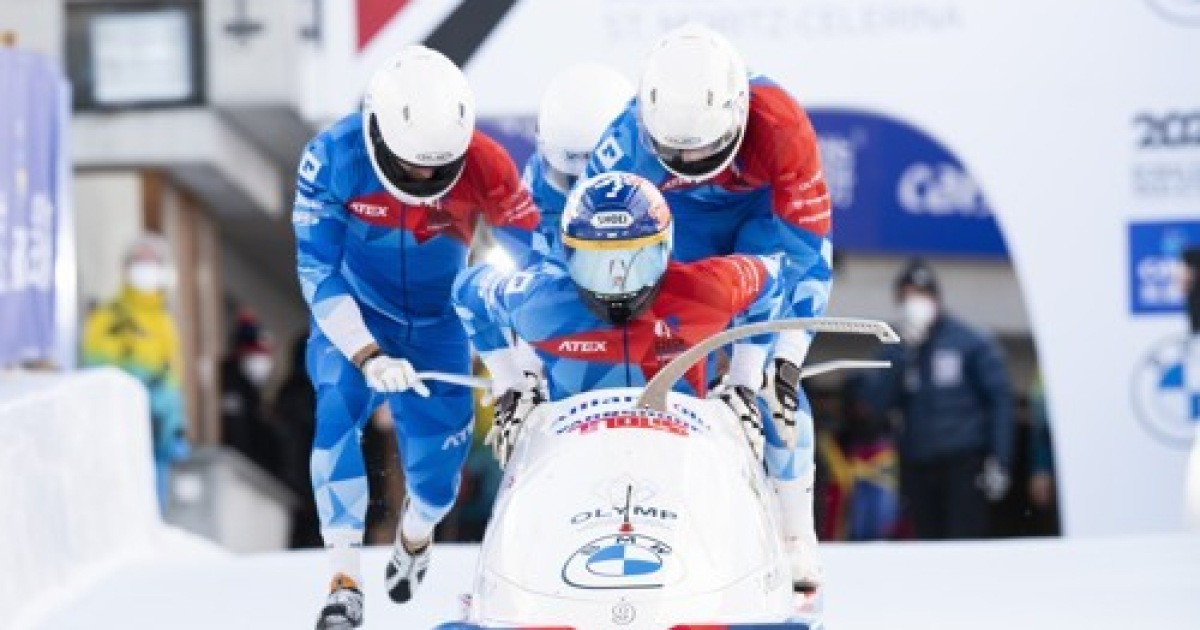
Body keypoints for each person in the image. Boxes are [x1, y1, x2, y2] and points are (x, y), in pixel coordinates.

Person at [293, 45, 544, 629]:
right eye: (412, 167)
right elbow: (317, 271)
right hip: (354, 315)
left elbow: (533, 271)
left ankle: (417, 530)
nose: (427, 179)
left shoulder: (489, 164)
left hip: (439, 323)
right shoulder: (332, 157)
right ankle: (344, 580)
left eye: (440, 168)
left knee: (437, 482)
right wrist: (366, 352)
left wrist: (524, 362)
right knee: (336, 410)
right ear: (379, 133)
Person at [585, 23, 832, 591]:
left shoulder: (783, 125)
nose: (693, 161)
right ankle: (671, 525)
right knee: (670, 370)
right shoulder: (620, 147)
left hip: (764, 229)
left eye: (708, 150)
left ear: (738, 118)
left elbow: (807, 258)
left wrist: (785, 359)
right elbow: (588, 250)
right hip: (677, 235)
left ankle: (796, 536)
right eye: (676, 153)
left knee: (774, 387)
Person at [453, 171, 782, 510]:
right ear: (568, 257)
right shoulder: (542, 303)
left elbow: (769, 281)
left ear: (665, 250)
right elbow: (467, 291)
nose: (616, 280)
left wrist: (744, 381)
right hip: (574, 471)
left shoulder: (702, 291)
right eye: (596, 262)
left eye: (634, 261)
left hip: (681, 465)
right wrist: (511, 385)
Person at [865, 259, 1014, 540]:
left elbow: (999, 401)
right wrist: (902, 356)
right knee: (926, 540)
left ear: (935, 298)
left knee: (963, 539)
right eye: (907, 296)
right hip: (917, 463)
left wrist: (1000, 457)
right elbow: (876, 405)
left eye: (921, 295)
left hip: (962, 462)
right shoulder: (895, 346)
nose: (914, 303)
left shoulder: (969, 342)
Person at [82, 233, 189, 511]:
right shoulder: (109, 317)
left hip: (158, 428)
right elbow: (96, 369)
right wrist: (136, 384)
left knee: (156, 505)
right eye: (139, 261)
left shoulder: (165, 321)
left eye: (152, 261)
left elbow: (172, 379)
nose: (145, 268)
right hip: (119, 426)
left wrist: (176, 426)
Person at [524, 63, 634, 249]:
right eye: (572, 179)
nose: (584, 190)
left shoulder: (663, 187)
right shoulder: (533, 191)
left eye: (599, 176)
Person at [219, 308, 284, 478]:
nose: (261, 362)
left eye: (265, 356)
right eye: (255, 354)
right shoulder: (228, 383)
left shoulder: (254, 396)